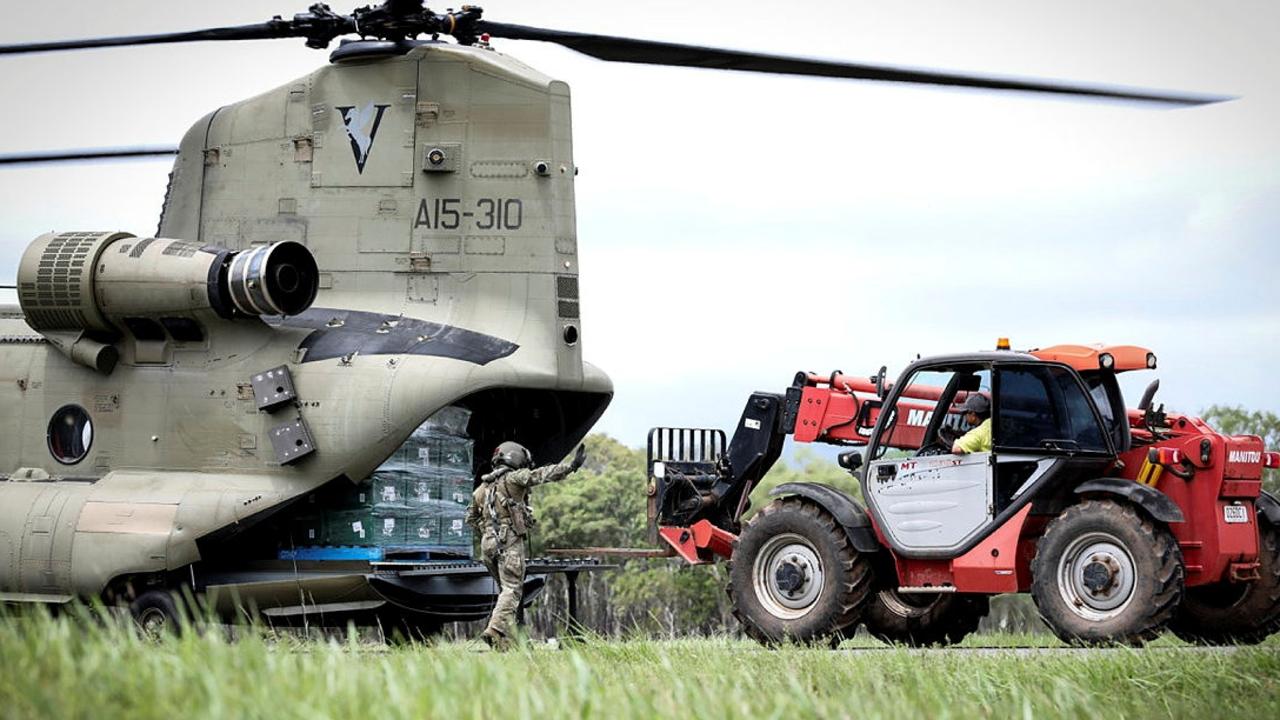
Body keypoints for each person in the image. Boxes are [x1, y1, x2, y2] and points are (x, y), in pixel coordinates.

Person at [465, 441, 587, 649]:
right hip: (508, 542)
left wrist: (487, 531)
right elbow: (541, 474)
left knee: (506, 592)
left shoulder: (482, 489)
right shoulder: (515, 478)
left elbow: (470, 517)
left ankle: (505, 643)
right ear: (516, 459)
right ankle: (494, 630)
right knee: (512, 590)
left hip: (488, 545)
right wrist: (571, 466)